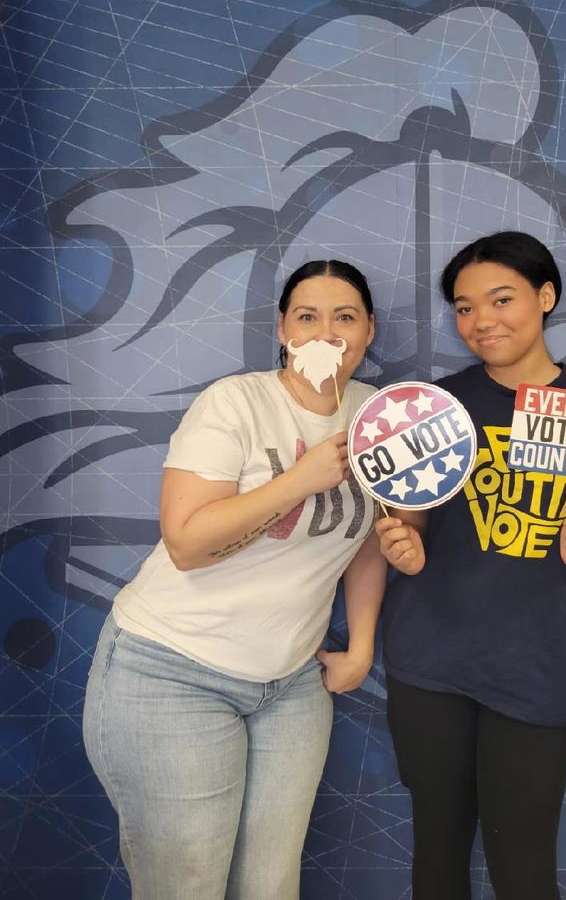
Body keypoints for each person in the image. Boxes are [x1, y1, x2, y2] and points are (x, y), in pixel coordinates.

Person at [375, 231, 566, 900]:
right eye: (464, 306)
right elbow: (410, 518)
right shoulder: (433, 409)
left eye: (500, 299)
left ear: (545, 297)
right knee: (437, 854)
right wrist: (403, 541)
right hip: (430, 664)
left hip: (536, 667)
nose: (481, 321)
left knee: (524, 862)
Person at [83, 259, 387, 900]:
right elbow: (188, 545)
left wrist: (360, 646)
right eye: (307, 316)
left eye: (345, 317)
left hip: (291, 686)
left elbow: (363, 541)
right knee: (186, 888)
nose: (325, 333)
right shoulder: (235, 401)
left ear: (369, 332)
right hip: (172, 671)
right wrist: (297, 481)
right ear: (283, 329)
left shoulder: (377, 416)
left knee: (269, 886)